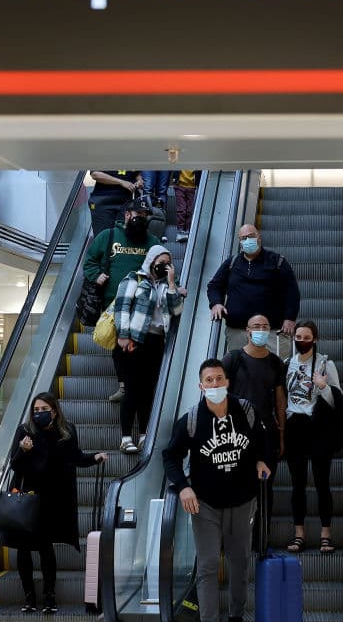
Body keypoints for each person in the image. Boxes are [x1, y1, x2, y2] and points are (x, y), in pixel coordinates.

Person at [162, 358, 272, 622]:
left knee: (239, 564)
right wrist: (183, 486)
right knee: (208, 566)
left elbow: (264, 441)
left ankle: (236, 619)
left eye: (219, 379)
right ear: (201, 386)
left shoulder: (246, 411)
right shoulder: (192, 420)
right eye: (208, 380)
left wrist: (262, 460)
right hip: (206, 504)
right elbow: (170, 456)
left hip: (242, 501)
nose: (214, 384)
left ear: (227, 382)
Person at [7, 392, 106, 614]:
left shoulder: (67, 430)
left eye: (44, 409)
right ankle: (29, 597)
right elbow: (15, 465)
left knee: (45, 547)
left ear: (54, 410)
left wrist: (94, 457)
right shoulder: (25, 431)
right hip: (26, 497)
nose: (39, 413)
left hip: (51, 498)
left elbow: (76, 457)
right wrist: (23, 450)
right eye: (36, 410)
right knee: (23, 548)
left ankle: (49, 597)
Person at [82, 196, 162, 404]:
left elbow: (163, 267)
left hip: (144, 306)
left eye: (145, 216)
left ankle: (140, 385)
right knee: (119, 346)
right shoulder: (108, 236)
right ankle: (124, 386)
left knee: (140, 347)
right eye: (138, 214)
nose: (141, 219)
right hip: (113, 304)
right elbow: (89, 262)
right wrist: (96, 275)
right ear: (127, 214)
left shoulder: (152, 242)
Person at [222, 314, 287, 551]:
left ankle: (261, 539)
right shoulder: (233, 359)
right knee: (236, 485)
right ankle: (233, 540)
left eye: (265, 326)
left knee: (265, 488)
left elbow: (280, 400)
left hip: (266, 432)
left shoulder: (276, 363)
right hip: (236, 433)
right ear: (247, 331)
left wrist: (281, 434)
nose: (261, 330)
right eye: (256, 327)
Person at [114, 245, 186, 454]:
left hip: (156, 343)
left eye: (167, 262)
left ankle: (145, 434)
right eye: (160, 262)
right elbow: (122, 307)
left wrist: (172, 283)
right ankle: (126, 437)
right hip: (134, 340)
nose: (163, 266)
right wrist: (123, 335)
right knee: (132, 389)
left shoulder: (168, 285)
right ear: (151, 261)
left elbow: (176, 310)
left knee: (148, 391)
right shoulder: (134, 279)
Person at [283, 320, 340, 553]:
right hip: (294, 426)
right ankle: (299, 534)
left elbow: (337, 399)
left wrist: (324, 386)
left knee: (322, 483)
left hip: (318, 428)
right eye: (298, 337)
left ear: (315, 339)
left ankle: (326, 534)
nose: (302, 342)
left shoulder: (326, 364)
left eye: (306, 338)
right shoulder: (287, 363)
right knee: (297, 484)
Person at [207, 223, 300, 359]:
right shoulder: (232, 263)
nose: (248, 240)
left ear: (259, 238)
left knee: (274, 373)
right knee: (239, 375)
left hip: (272, 332)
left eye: (251, 236)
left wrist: (290, 318)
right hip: (238, 332)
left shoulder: (277, 261)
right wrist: (216, 303)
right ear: (240, 242)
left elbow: (292, 292)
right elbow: (214, 285)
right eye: (243, 238)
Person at [88, 170, 142, 235]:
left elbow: (137, 174)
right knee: (103, 236)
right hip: (103, 201)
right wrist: (121, 182)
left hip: (128, 202)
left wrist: (140, 182)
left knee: (126, 236)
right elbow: (95, 174)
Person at [174, 169, 201, 242]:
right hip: (180, 185)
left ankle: (187, 230)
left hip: (192, 187)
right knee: (181, 209)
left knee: (189, 210)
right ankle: (180, 230)